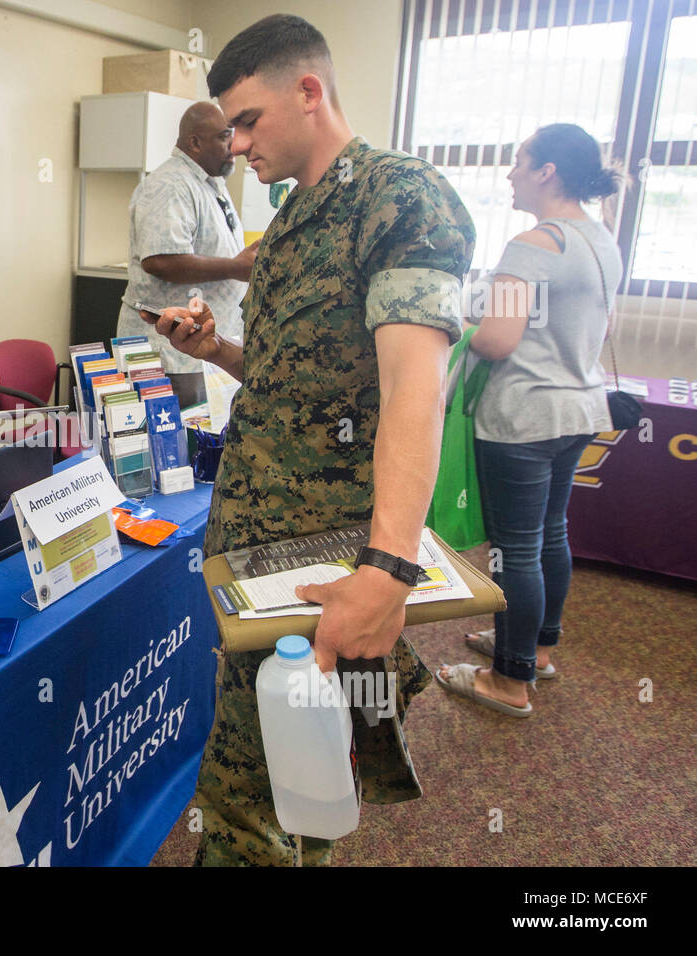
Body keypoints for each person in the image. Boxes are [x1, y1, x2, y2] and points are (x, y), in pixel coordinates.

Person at [151, 14, 475, 865]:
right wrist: (215, 349)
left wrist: (388, 570)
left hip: (328, 566)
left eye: (249, 121)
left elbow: (415, 385)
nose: (237, 144)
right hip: (259, 558)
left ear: (309, 91)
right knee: (305, 786)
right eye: (229, 130)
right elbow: (295, 376)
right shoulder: (291, 220)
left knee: (251, 806)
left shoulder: (399, 198)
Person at [436, 124, 623, 717]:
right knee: (550, 533)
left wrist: (459, 321)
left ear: (547, 172)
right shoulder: (600, 240)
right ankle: (535, 649)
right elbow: (598, 327)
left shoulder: (534, 243)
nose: (511, 174)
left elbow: (496, 339)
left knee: (514, 549)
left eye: (520, 162)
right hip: (578, 409)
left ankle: (508, 679)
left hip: (524, 419)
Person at [116, 102, 258, 405]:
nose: (234, 146)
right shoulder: (170, 184)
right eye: (224, 136)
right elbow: (161, 260)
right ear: (195, 142)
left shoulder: (208, 182)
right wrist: (236, 267)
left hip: (200, 353)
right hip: (169, 358)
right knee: (174, 448)